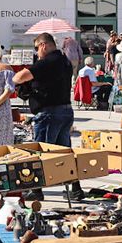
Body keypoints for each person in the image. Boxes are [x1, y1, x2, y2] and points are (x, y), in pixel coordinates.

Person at [12, 33, 85, 202]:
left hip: (49, 112)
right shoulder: (65, 60)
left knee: (40, 152)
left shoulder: (48, 61)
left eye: (37, 48)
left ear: (44, 45)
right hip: (65, 110)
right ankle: (75, 189)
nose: (37, 52)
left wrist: (15, 80)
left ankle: (37, 190)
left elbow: (19, 77)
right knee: (65, 152)